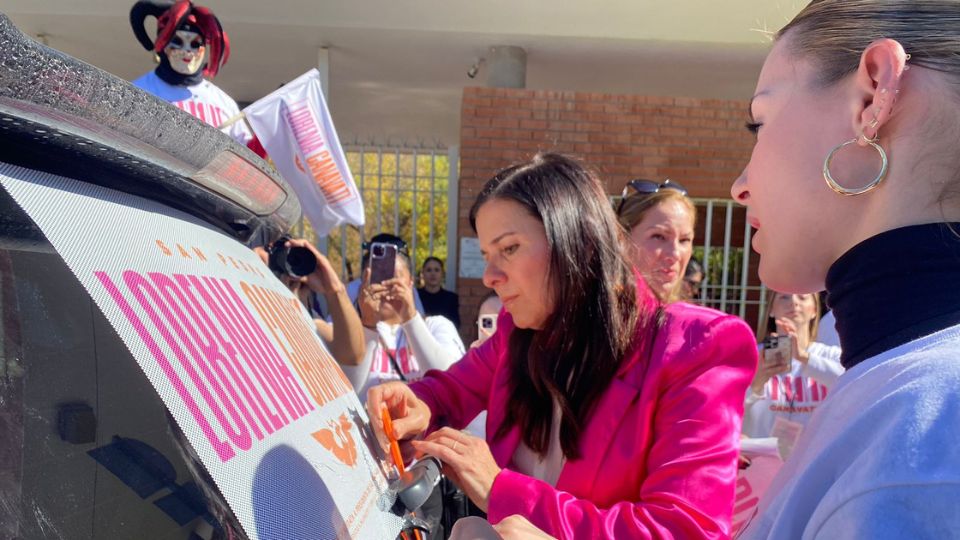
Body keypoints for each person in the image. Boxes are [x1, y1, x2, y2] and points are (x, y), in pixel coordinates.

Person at [368, 153, 758, 538]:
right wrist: (415, 403)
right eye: (487, 254)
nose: (490, 275)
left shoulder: (697, 347)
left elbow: (684, 530)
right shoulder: (517, 330)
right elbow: (450, 390)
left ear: (579, 243)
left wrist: (502, 491)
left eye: (509, 248)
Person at [731, 1, 960, 536]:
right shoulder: (905, 395)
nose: (740, 185)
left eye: (757, 122)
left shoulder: (921, 433)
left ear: (872, 96)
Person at [341, 241, 465, 402]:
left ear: (410, 282)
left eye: (394, 278)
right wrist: (368, 322)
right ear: (363, 283)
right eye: (378, 279)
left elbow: (449, 384)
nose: (385, 286)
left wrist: (410, 318)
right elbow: (347, 394)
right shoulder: (350, 331)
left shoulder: (437, 326)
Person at [129, 0, 253, 147]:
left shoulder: (223, 103)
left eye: (195, 44)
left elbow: (247, 155)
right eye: (177, 41)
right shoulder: (136, 93)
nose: (188, 51)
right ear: (163, 43)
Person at [743, 292, 843, 448]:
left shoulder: (832, 355)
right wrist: (756, 383)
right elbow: (726, 410)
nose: (794, 302)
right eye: (784, 297)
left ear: (814, 311)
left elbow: (853, 384)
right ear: (771, 310)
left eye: (803, 297)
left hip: (812, 461)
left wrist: (804, 357)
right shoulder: (751, 357)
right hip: (761, 462)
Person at [616, 178, 697, 302]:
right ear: (622, 239)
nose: (675, 254)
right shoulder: (589, 315)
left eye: (684, 240)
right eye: (658, 237)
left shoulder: (694, 320)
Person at [418, 256, 461, 329]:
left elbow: (455, 324)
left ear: (442, 274)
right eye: (429, 270)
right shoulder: (415, 295)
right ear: (423, 274)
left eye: (437, 270)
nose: (433, 274)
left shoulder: (451, 298)